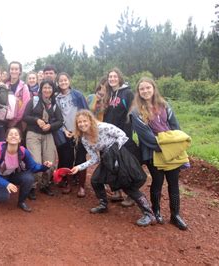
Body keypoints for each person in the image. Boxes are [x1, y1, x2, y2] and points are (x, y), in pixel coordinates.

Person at [70, 110, 156, 227]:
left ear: (90, 120)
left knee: (127, 185)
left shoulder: (103, 127)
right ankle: (103, 204)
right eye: (79, 122)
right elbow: (95, 158)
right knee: (95, 180)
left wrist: (114, 149)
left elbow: (123, 136)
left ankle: (149, 214)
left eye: (84, 121)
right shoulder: (84, 139)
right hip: (106, 158)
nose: (82, 124)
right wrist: (78, 168)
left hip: (119, 154)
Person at [130, 77, 188, 230]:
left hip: (171, 150)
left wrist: (175, 145)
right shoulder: (136, 112)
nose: (145, 91)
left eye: (148, 87)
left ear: (153, 88)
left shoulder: (164, 105)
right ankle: (156, 212)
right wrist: (167, 146)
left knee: (174, 183)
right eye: (142, 89)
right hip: (151, 151)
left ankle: (175, 215)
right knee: (157, 182)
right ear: (138, 92)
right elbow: (146, 136)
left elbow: (175, 127)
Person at [0, 127, 53, 212]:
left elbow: (33, 167)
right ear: (6, 138)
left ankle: (21, 202)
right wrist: (6, 184)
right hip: (0, 177)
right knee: (3, 197)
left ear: (19, 139)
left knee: (29, 178)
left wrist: (44, 167)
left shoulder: (23, 151)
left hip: (13, 174)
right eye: (10, 134)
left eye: (16, 135)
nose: (13, 136)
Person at [103, 67, 139, 207]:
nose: (112, 79)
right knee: (112, 164)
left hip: (123, 136)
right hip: (109, 136)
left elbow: (132, 114)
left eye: (114, 76)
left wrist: (126, 136)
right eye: (110, 77)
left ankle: (131, 195)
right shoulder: (108, 94)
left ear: (120, 78)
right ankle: (117, 192)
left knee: (125, 165)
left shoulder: (127, 93)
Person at [23, 79, 63, 199]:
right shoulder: (34, 100)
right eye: (45, 88)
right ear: (41, 89)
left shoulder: (54, 103)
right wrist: (37, 120)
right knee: (35, 161)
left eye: (49, 88)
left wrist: (50, 126)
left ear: (53, 89)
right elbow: (25, 117)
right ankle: (32, 187)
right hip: (33, 134)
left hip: (48, 134)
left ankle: (44, 185)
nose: (47, 90)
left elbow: (60, 121)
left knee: (50, 161)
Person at [55, 72, 89, 197]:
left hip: (80, 131)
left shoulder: (77, 95)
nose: (63, 83)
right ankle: (68, 184)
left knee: (80, 158)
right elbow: (58, 117)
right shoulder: (57, 98)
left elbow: (86, 112)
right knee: (67, 159)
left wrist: (82, 130)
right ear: (58, 83)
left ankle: (81, 186)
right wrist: (64, 130)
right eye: (60, 81)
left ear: (69, 81)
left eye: (65, 80)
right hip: (66, 132)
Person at [5, 61, 31, 129]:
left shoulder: (24, 87)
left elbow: (25, 105)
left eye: (16, 69)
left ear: (20, 71)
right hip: (4, 120)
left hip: (18, 122)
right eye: (12, 69)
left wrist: (15, 120)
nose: (14, 71)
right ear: (9, 70)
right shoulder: (5, 85)